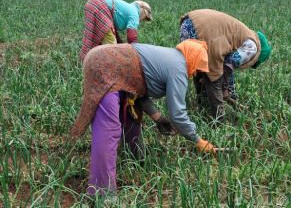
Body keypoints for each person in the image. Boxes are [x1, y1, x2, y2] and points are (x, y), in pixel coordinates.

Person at [70, 39, 216, 195]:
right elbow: (178, 114)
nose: (194, 73)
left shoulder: (170, 57)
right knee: (109, 130)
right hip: (106, 65)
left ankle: (134, 162)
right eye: (197, 67)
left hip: (104, 58)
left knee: (131, 113)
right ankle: (101, 193)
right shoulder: (178, 67)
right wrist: (197, 140)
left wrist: (158, 118)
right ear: (192, 57)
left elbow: (138, 91)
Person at [179, 9, 272, 119]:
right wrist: (224, 89)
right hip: (204, 32)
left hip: (188, 24)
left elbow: (229, 65)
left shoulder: (242, 34)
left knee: (200, 71)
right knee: (215, 79)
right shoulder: (252, 47)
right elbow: (228, 65)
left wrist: (229, 92)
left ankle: (203, 110)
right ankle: (218, 122)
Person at [79, 0, 152, 61]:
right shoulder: (135, 13)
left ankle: (92, 61)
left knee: (99, 40)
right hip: (100, 5)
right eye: (145, 18)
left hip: (92, 3)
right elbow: (132, 38)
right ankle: (108, 66)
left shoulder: (129, 8)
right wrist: (138, 53)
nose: (142, 20)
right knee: (112, 48)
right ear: (144, 13)